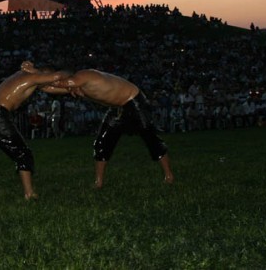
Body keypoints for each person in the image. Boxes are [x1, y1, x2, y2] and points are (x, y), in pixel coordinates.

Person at [37, 67, 175, 188]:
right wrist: (31, 80)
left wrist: (33, 73)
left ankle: (169, 176)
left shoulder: (83, 76)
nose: (72, 93)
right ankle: (99, 182)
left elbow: (57, 83)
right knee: (101, 143)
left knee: (151, 139)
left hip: (134, 101)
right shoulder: (75, 85)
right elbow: (48, 88)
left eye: (71, 89)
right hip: (116, 108)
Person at [0, 61, 70, 204]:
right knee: (23, 154)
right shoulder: (34, 76)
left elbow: (51, 88)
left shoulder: (24, 77)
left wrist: (74, 89)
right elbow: (58, 76)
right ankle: (29, 194)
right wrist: (73, 76)